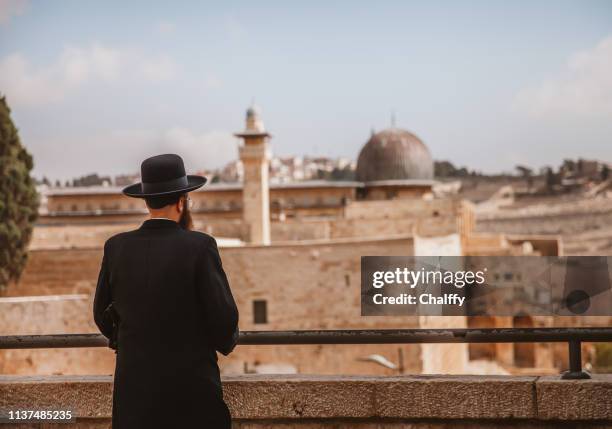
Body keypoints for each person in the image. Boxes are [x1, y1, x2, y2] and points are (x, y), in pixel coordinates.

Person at [93, 153, 239, 428]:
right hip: (193, 398)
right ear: (182, 202)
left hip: (134, 399)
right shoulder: (201, 246)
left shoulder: (116, 247)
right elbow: (224, 320)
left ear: (146, 201)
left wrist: (131, 340)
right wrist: (224, 341)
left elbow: (101, 315)